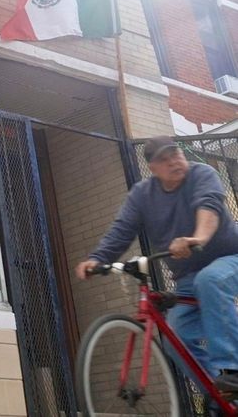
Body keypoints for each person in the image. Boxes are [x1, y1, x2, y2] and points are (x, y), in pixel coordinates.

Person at [75, 136, 238, 394]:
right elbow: (122, 229)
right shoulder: (142, 195)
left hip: (230, 257)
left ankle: (233, 371)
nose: (173, 161)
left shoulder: (202, 174)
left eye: (176, 154)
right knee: (176, 339)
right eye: (164, 159)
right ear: (152, 168)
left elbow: (209, 207)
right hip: (187, 276)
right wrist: (98, 259)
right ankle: (220, 400)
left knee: (210, 280)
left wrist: (198, 238)